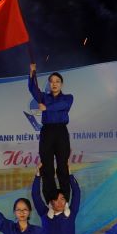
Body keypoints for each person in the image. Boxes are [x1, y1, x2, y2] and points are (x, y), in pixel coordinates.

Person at [29, 64, 74, 204]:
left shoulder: (68, 98)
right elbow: (32, 89)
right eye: (52, 81)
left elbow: (63, 106)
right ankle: (51, 201)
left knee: (62, 166)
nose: (54, 84)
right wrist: (31, 74)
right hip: (47, 132)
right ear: (49, 84)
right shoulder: (44, 97)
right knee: (47, 167)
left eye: (57, 81)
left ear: (61, 84)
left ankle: (65, 200)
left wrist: (46, 108)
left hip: (61, 132)